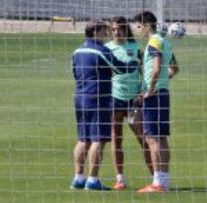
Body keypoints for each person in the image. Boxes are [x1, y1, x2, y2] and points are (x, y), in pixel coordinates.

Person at [70, 19, 138, 191]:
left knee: (82, 139)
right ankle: (92, 180)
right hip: (98, 98)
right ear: (96, 32)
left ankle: (78, 178)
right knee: (98, 139)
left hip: (80, 97)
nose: (107, 33)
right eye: (104, 30)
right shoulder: (101, 51)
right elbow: (121, 69)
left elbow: (75, 73)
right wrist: (135, 62)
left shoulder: (77, 51)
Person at [105, 16, 153, 190]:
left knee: (144, 139)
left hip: (133, 101)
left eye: (120, 29)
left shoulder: (135, 48)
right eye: (114, 29)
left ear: (126, 30)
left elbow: (144, 73)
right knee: (116, 139)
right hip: (114, 100)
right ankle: (120, 179)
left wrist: (142, 92)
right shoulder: (107, 49)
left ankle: (156, 177)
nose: (117, 32)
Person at [133, 11, 176, 193]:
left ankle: (157, 183)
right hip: (163, 92)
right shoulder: (165, 41)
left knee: (151, 138)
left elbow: (157, 68)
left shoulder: (154, 42)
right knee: (161, 138)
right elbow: (174, 68)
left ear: (146, 25)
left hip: (154, 94)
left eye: (138, 26)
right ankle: (163, 181)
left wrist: (150, 89)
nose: (136, 31)